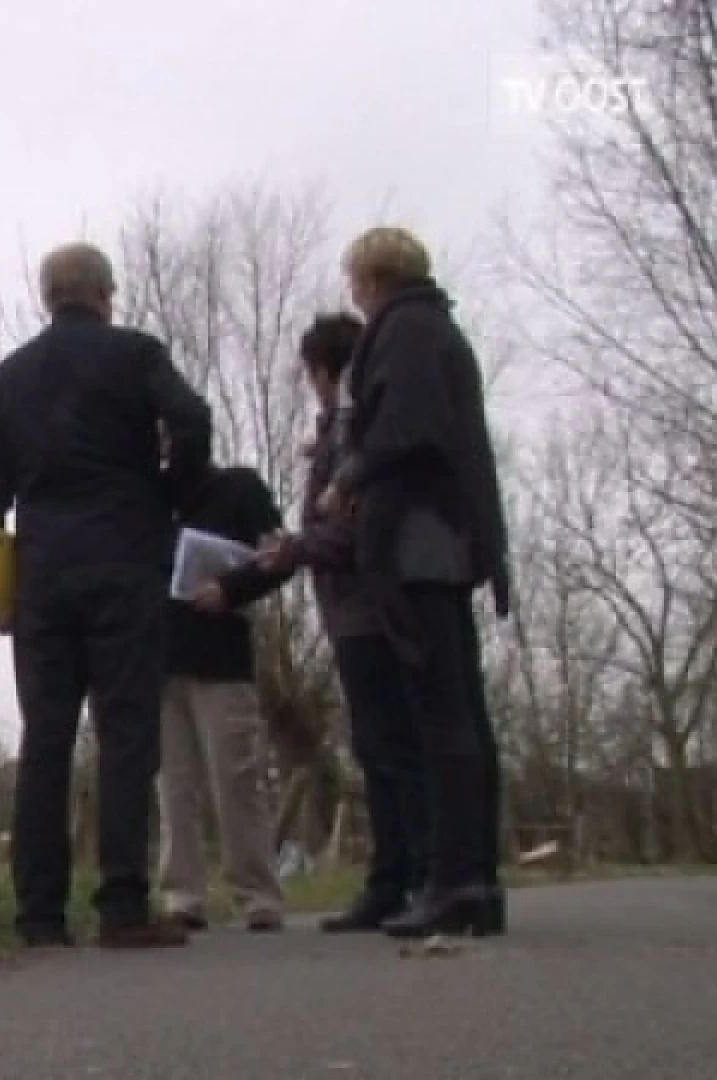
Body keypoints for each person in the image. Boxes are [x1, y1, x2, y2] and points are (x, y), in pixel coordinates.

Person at [0, 241, 213, 949]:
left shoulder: (7, 380)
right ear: (107, 294)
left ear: (48, 297)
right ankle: (123, 906)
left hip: (43, 576)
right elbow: (192, 420)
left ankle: (39, 914)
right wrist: (172, 491)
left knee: (44, 738)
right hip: (124, 563)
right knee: (126, 733)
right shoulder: (135, 355)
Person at [315, 226, 512, 938]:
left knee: (442, 718)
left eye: (355, 282)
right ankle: (474, 883)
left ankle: (455, 881)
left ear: (370, 279)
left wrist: (349, 475)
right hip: (447, 539)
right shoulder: (436, 330)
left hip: (418, 543)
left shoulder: (403, 332)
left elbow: (410, 426)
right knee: (460, 714)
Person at [258, 312, 431, 932]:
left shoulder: (357, 429)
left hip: (365, 606)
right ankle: (396, 877)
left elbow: (356, 528)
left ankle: (407, 877)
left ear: (326, 372)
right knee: (378, 743)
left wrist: (298, 548)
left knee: (389, 746)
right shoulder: (339, 427)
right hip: (350, 608)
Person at [156, 446, 292, 932]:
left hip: (221, 657)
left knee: (236, 778)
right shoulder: (146, 496)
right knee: (173, 785)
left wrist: (230, 589)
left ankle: (257, 895)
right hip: (158, 656)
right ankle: (182, 895)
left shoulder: (240, 488)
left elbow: (280, 558)